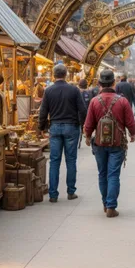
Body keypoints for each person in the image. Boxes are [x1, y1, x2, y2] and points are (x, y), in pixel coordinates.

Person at [84, 69, 135, 217]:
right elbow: (130, 121)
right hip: (117, 143)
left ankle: (105, 204)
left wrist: (87, 136)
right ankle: (111, 206)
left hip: (99, 144)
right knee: (113, 174)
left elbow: (89, 123)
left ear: (100, 84)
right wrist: (132, 134)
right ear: (114, 83)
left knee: (102, 174)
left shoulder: (94, 101)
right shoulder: (122, 101)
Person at [38, 64, 87, 203]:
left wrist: (41, 127)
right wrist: (83, 125)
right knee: (71, 160)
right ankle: (71, 192)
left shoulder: (48, 91)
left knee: (54, 161)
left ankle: (53, 194)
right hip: (71, 127)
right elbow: (82, 110)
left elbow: (43, 111)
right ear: (66, 74)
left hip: (55, 127)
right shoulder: (74, 90)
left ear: (54, 75)